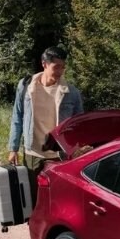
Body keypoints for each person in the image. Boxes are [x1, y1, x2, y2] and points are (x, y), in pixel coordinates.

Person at [7, 46, 85, 188]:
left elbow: (78, 126)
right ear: (44, 64)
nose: (60, 72)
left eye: (63, 67)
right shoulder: (26, 86)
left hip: (59, 156)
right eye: (56, 67)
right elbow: (17, 117)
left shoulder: (71, 93)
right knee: (32, 199)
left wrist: (77, 151)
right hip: (33, 154)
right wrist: (13, 148)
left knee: (56, 199)